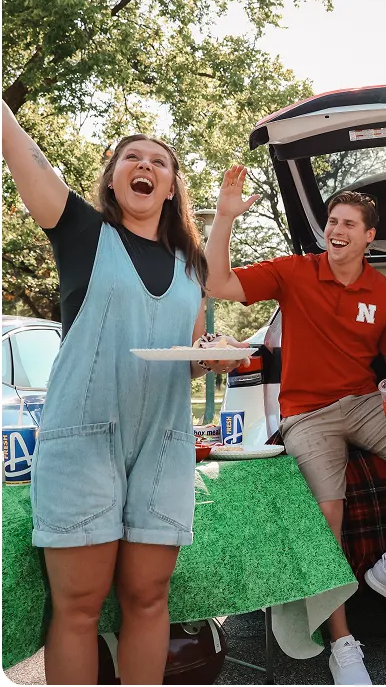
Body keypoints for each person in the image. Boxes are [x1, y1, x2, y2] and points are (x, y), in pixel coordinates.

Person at [0, 101, 238, 685]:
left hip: (164, 443)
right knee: (78, 608)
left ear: (171, 186)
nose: (145, 165)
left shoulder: (191, 264)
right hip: (83, 440)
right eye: (132, 156)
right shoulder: (79, 229)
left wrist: (208, 358)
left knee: (150, 598)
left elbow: (184, 360)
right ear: (112, 176)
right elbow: (24, 154)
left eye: (160, 161)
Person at [204, 166, 386, 686]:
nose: (336, 231)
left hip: (363, 401)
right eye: (332, 221)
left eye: (348, 224)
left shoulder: (383, 294)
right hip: (307, 412)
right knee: (328, 519)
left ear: (369, 236)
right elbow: (218, 283)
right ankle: (341, 640)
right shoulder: (294, 271)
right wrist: (223, 218)